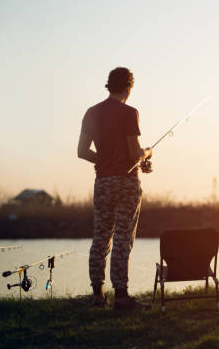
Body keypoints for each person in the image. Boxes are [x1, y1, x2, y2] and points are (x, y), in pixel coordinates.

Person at [77, 67, 152, 310]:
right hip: (126, 183)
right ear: (128, 87)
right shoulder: (130, 113)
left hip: (102, 183)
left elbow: (82, 151)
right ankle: (121, 296)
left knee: (100, 237)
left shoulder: (91, 113)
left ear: (109, 85)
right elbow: (134, 153)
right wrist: (147, 153)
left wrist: (103, 160)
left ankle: (98, 294)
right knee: (122, 237)